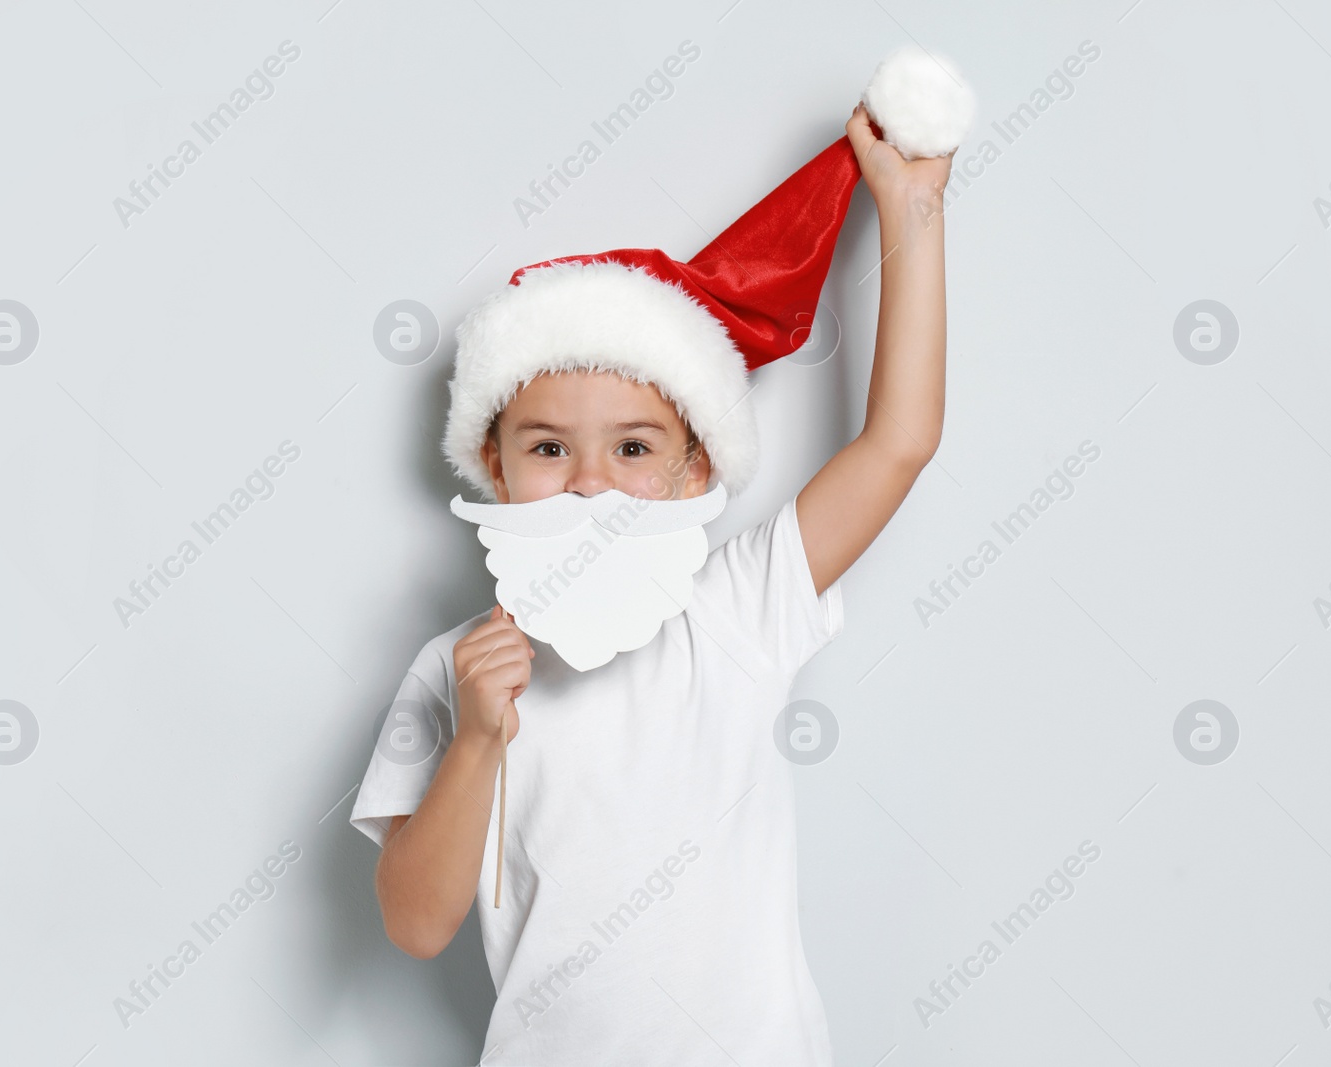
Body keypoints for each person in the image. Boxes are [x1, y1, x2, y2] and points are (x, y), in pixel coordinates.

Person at [351, 101, 951, 1064]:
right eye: (549, 447)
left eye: (633, 447)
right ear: (495, 470)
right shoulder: (454, 670)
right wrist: (475, 741)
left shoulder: (741, 608)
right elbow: (416, 925)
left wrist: (914, 209)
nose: (589, 480)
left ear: (695, 471)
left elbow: (898, 443)